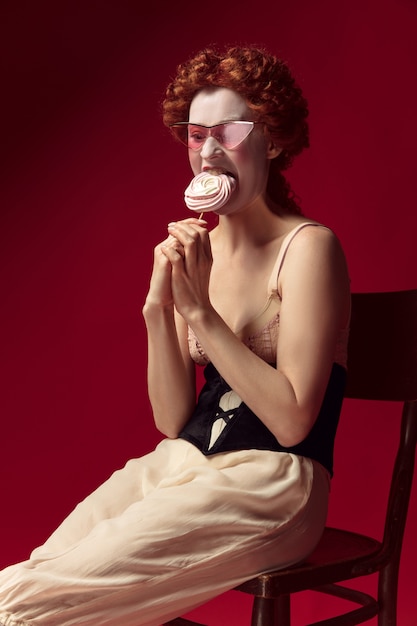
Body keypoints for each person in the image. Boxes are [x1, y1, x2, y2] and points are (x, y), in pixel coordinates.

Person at [0, 45, 350, 626]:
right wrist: (158, 306)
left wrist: (202, 312)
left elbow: (293, 423)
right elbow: (171, 419)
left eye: (231, 131)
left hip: (274, 483)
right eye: (195, 135)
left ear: (276, 139)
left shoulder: (309, 248)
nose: (210, 152)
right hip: (186, 460)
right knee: (45, 571)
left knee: (35, 603)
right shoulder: (200, 250)